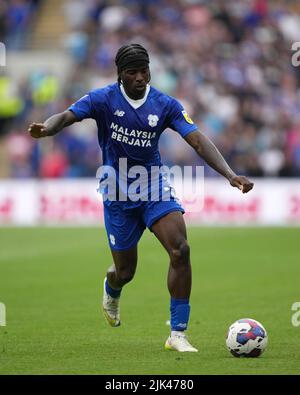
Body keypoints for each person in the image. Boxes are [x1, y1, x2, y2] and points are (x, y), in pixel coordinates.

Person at [28, 44, 254, 352]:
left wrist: (230, 175)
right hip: (117, 194)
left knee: (180, 250)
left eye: (144, 71)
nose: (139, 77)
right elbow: (67, 116)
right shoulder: (103, 99)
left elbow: (198, 141)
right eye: (132, 72)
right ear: (120, 75)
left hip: (153, 187)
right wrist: (47, 129)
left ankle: (177, 334)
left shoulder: (165, 104)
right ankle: (112, 288)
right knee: (125, 272)